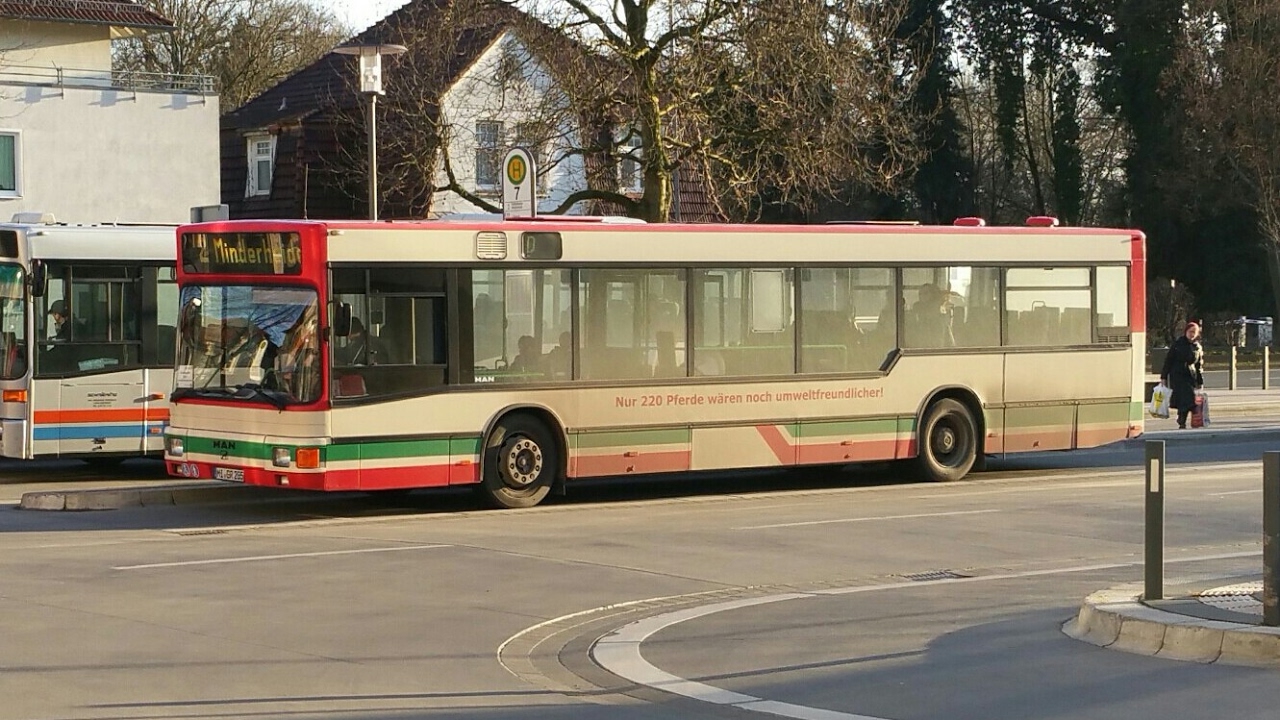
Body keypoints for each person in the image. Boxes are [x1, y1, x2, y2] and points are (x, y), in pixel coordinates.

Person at [1161, 320, 1205, 429]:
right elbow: (1168, 361)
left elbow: (1199, 365)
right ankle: (1182, 420)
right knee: (1186, 399)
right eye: (1190, 331)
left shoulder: (1197, 347)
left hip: (1190, 376)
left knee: (1188, 400)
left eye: (1195, 332)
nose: (1192, 334)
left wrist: (1200, 381)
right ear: (1186, 332)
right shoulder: (1178, 344)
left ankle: (1184, 420)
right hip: (1178, 375)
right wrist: (1163, 377)